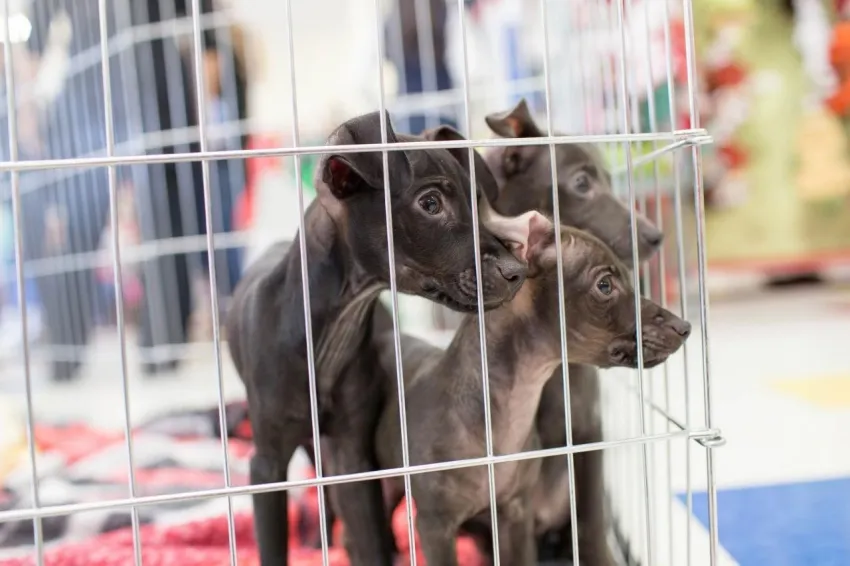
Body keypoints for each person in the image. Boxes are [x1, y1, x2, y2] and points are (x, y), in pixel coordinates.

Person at [21, 0, 248, 381]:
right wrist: (27, 108)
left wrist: (203, 110)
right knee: (78, 226)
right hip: (92, 95)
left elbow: (205, 26)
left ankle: (162, 348)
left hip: (156, 94)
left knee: (165, 223)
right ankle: (66, 347)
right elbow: (36, 39)